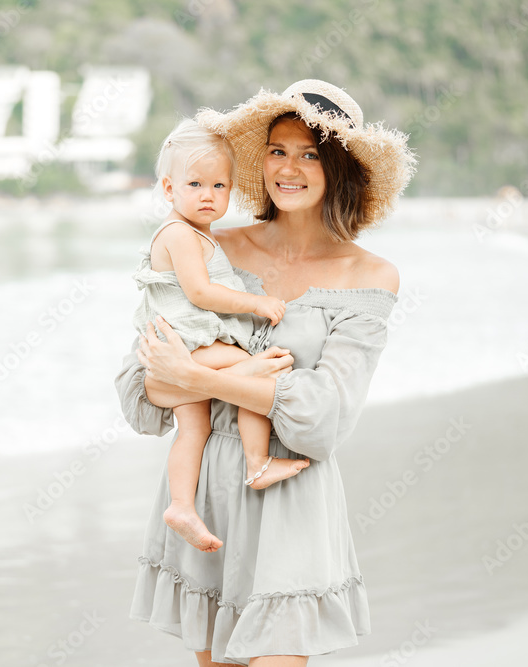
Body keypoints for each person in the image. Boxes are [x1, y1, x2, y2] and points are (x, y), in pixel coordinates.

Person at [115, 79, 416, 666]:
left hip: (292, 491)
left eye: (310, 153)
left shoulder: (371, 276)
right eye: (278, 150)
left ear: (340, 169)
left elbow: (321, 420)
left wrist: (200, 378)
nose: (290, 168)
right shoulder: (211, 248)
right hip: (205, 489)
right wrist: (217, 377)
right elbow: (143, 390)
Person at [132, 119, 312, 554]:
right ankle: (256, 462)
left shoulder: (199, 233)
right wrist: (255, 304)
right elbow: (199, 292)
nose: (209, 195)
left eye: (219, 185)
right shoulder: (178, 233)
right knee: (252, 381)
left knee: (192, 429)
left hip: (190, 346)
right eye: (195, 184)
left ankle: (182, 506)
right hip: (190, 345)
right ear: (169, 189)